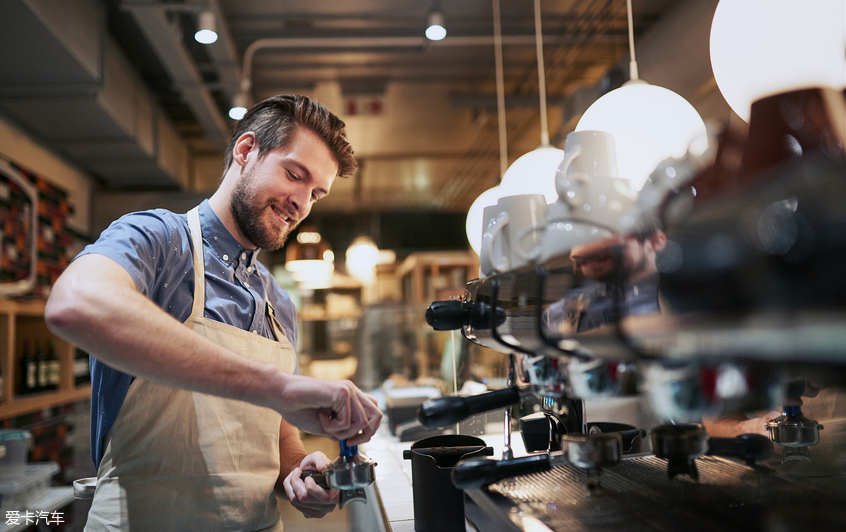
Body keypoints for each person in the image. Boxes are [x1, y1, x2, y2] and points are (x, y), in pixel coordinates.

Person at [45, 95, 383, 531]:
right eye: (294, 175)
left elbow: (277, 435)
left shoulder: (278, 302)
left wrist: (299, 472)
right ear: (245, 151)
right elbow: (75, 302)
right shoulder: (158, 241)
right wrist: (276, 386)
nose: (301, 203)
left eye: (316, 193)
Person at [543, 223, 667, 335]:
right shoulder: (568, 307)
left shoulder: (676, 299)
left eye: (606, 233)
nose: (588, 246)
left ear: (655, 242)